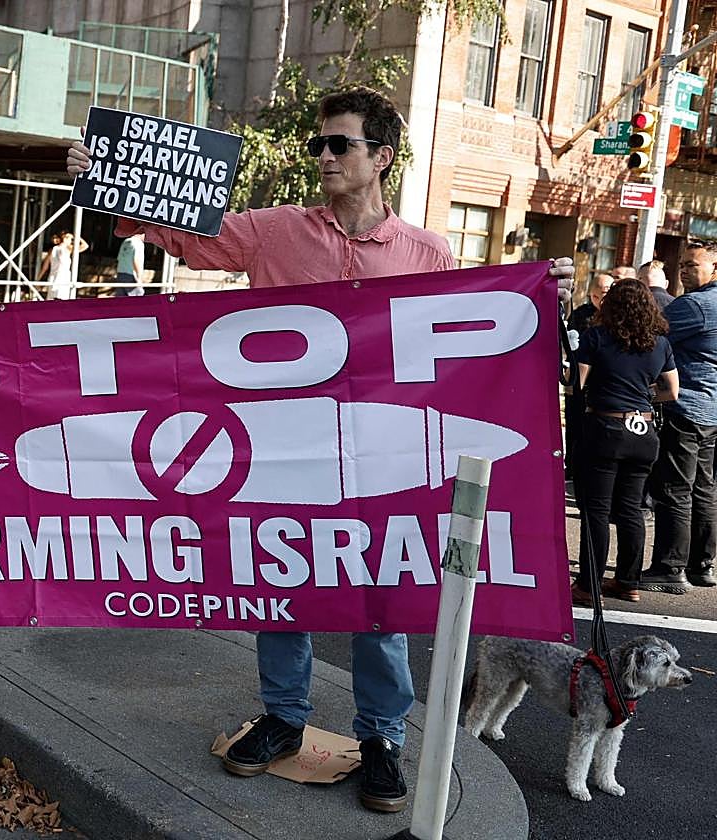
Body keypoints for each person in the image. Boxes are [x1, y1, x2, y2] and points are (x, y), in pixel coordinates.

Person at [67, 85, 575, 814]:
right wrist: (106, 175)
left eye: (341, 144)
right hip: (281, 453)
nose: (326, 156)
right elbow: (182, 234)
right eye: (320, 145)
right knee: (280, 587)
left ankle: (381, 740)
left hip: (382, 460)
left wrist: (544, 289)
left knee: (382, 600)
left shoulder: (427, 251)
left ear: (382, 158)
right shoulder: (272, 230)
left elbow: (476, 331)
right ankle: (282, 717)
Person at [570, 279, 678, 607]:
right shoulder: (660, 343)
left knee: (597, 509)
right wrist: (645, 397)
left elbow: (576, 384)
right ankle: (628, 582)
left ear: (611, 305)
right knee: (632, 509)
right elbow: (672, 391)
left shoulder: (597, 338)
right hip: (643, 431)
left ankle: (589, 585)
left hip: (606, 426)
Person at [642, 241, 717, 594]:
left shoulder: (695, 305)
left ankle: (670, 568)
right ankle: (701, 565)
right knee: (703, 489)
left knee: (674, 489)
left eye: (692, 265)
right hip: (711, 410)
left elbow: (650, 332)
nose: (684, 270)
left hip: (685, 406)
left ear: (714, 269)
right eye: (682, 265)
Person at [564, 272, 614, 480]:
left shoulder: (617, 316)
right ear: (591, 294)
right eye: (599, 294)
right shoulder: (581, 314)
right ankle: (572, 466)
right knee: (574, 425)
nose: (603, 299)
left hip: (603, 382)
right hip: (579, 379)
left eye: (608, 293)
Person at [38, 231, 89, 300]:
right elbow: (45, 267)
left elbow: (85, 246)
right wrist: (37, 280)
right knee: (56, 300)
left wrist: (76, 236)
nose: (71, 241)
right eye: (69, 238)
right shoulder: (61, 249)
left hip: (60, 277)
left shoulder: (67, 248)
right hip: (58, 277)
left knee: (57, 299)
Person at [114, 232, 145, 296]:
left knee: (121, 301)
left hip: (120, 274)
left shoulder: (126, 241)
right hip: (131, 275)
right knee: (137, 299)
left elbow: (119, 259)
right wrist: (139, 278)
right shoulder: (139, 243)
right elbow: (136, 260)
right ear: (141, 233)